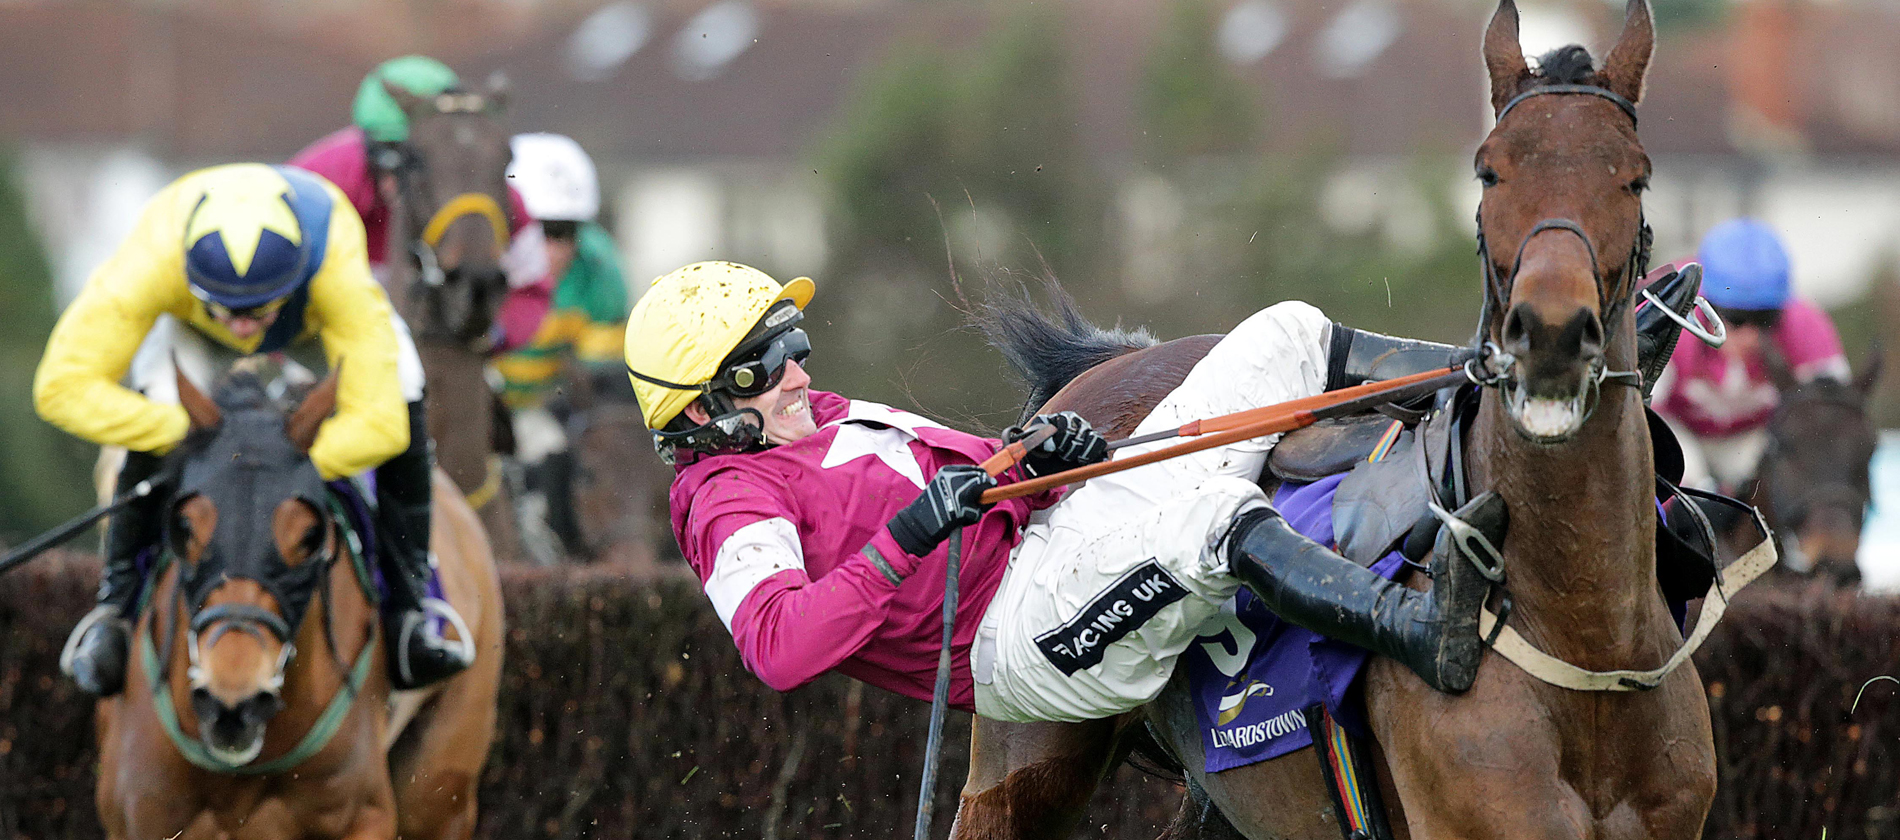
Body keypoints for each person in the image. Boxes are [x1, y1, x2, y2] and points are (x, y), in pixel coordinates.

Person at [631, 261, 1718, 723]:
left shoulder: (822, 416)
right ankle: (1416, 633)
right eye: (771, 363)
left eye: (797, 344)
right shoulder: (727, 500)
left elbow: (979, 479)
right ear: (708, 406)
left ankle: (1512, 382)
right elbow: (778, 648)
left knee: (1286, 334)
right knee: (1208, 521)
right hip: (1013, 645)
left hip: (1053, 546)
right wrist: (911, 535)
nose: (800, 371)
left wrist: (1029, 462)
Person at [34, 164, 475, 696]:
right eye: (227, 308)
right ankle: (115, 613)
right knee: (153, 411)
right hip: (192, 334)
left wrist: (284, 464)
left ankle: (410, 615)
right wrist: (180, 431)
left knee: (406, 387)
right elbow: (59, 387)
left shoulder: (332, 259)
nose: (242, 327)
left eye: (257, 309)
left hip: (314, 328)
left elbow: (381, 423)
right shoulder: (151, 259)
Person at [288, 55, 553, 353]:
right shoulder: (320, 183)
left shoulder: (488, 199)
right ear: (365, 144)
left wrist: (496, 333)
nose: (395, 177)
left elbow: (532, 290)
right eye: (387, 154)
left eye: (415, 161)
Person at [494, 134, 631, 553]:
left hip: (542, 406)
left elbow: (602, 382)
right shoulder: (480, 259)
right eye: (539, 231)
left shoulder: (601, 270)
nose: (553, 249)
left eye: (564, 232)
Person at [1653, 219, 1850, 492]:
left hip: (1754, 437)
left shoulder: (1807, 327)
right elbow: (1638, 411)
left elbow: (1834, 419)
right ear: (1706, 303)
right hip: (1677, 431)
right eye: (1737, 318)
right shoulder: (1670, 318)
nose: (1751, 336)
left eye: (1765, 318)